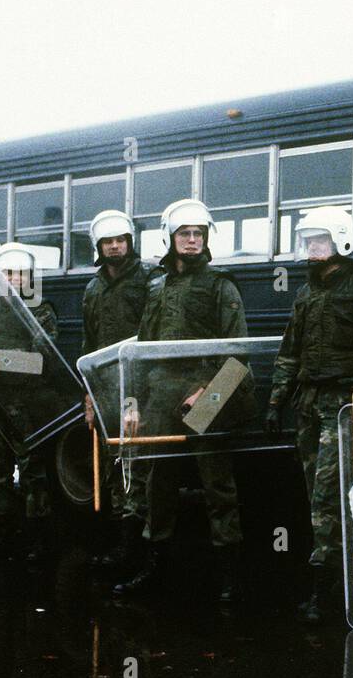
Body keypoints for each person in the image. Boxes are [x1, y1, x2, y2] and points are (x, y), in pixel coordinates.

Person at [266, 206, 353, 623]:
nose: (312, 248)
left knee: (327, 497)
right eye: (308, 241)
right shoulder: (306, 294)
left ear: (341, 241)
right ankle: (342, 580)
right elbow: (289, 353)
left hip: (346, 406)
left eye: (320, 240)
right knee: (317, 498)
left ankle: (323, 592)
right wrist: (276, 400)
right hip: (309, 405)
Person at [114, 198, 247, 600]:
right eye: (184, 233)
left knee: (217, 484)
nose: (191, 240)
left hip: (206, 392)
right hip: (160, 392)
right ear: (170, 238)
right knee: (157, 484)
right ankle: (155, 570)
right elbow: (141, 348)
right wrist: (132, 401)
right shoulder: (156, 285)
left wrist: (208, 391)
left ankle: (231, 578)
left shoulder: (221, 284)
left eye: (198, 234)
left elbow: (236, 351)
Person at [0, 243, 59, 561]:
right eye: (8, 272)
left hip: (26, 404)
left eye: (20, 273)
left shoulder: (41, 310)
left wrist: (0, 358)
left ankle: (39, 541)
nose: (14, 279)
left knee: (33, 473)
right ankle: (2, 535)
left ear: (29, 276)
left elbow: (43, 362)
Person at [80, 209, 156, 572]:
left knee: (136, 466)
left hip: (139, 386)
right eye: (108, 242)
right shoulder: (93, 288)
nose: (114, 247)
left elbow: (157, 335)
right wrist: (88, 395)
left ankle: (135, 551)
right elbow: (89, 343)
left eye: (120, 240)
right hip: (105, 388)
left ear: (130, 241)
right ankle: (115, 545)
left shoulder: (150, 279)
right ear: (98, 246)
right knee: (111, 465)